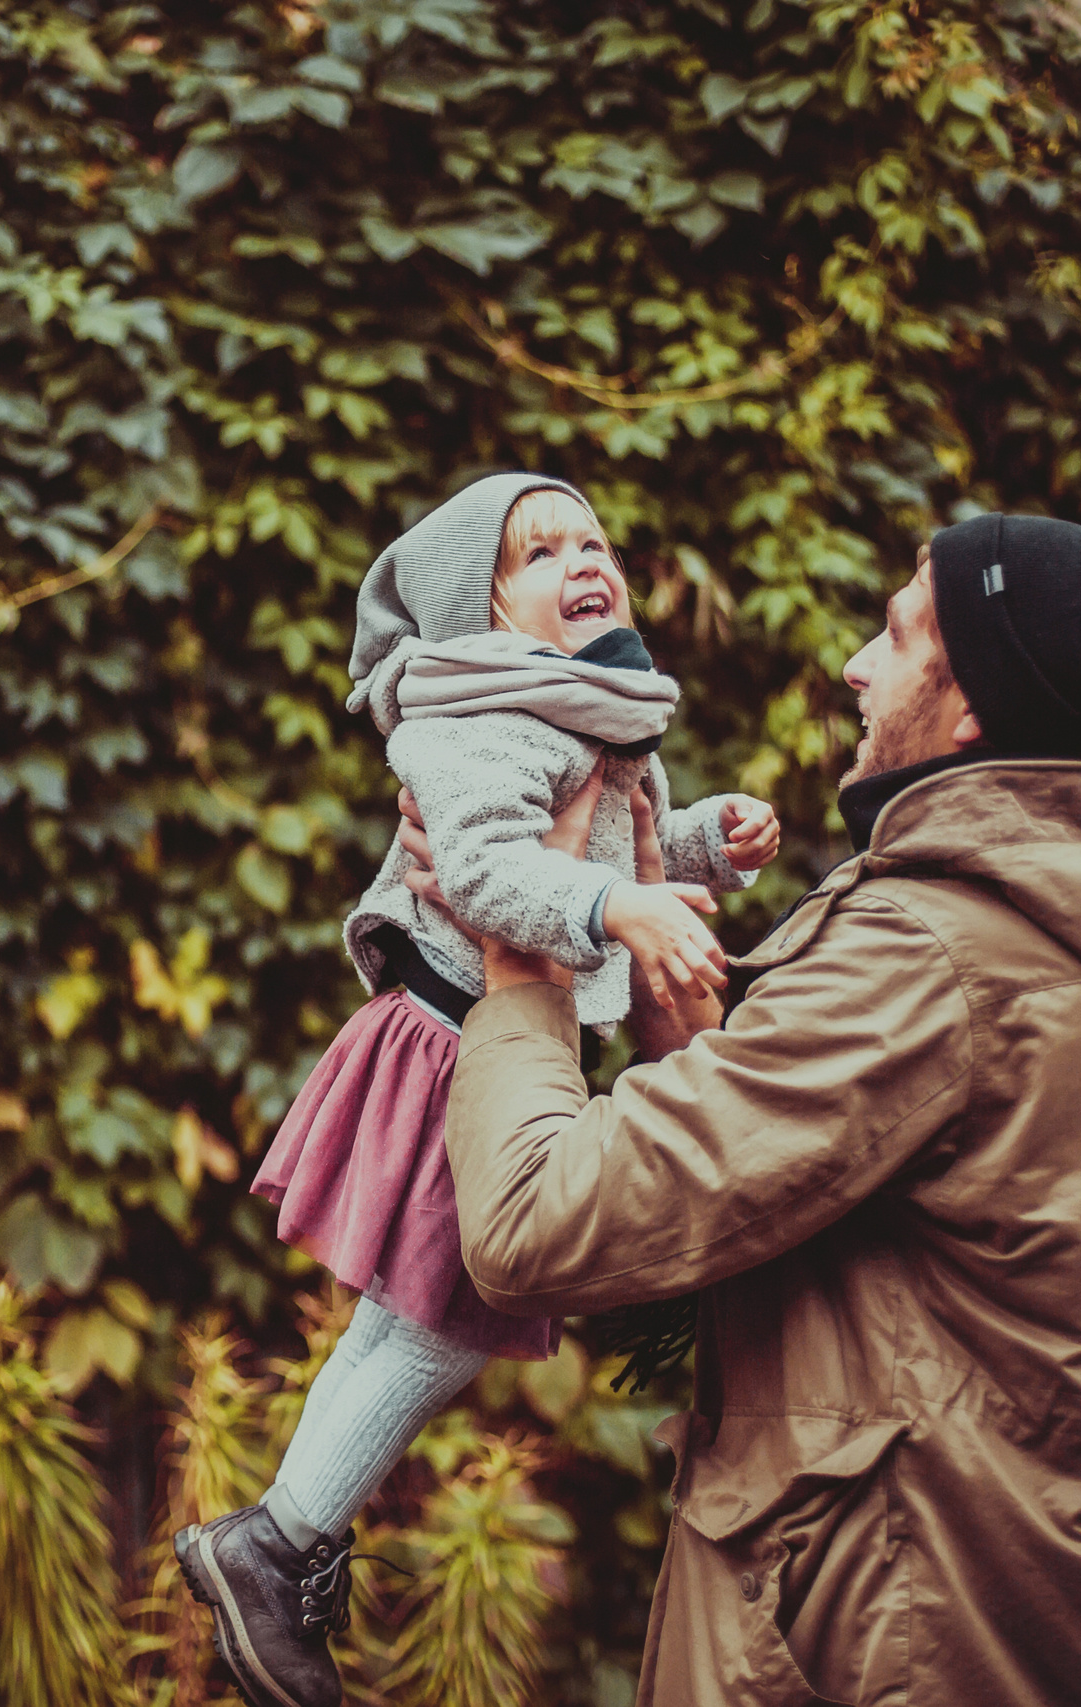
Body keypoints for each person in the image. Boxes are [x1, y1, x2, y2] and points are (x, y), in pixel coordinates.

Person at [427, 513, 1081, 1706]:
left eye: (893, 634)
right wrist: (700, 1049)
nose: (853, 668)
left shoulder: (931, 957)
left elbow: (532, 1221)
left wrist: (522, 958)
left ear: (971, 706)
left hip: (909, 1656)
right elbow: (942, 1257)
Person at [175, 473, 782, 1707]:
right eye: (540, 551)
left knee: (400, 1326)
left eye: (592, 540)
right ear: (483, 608)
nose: (581, 560)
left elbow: (616, 840)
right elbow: (495, 876)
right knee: (439, 1328)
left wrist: (710, 837)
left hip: (477, 1047)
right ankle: (278, 1544)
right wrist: (616, 906)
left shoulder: (580, 707)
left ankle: (275, 1540)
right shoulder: (481, 719)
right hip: (458, 1053)